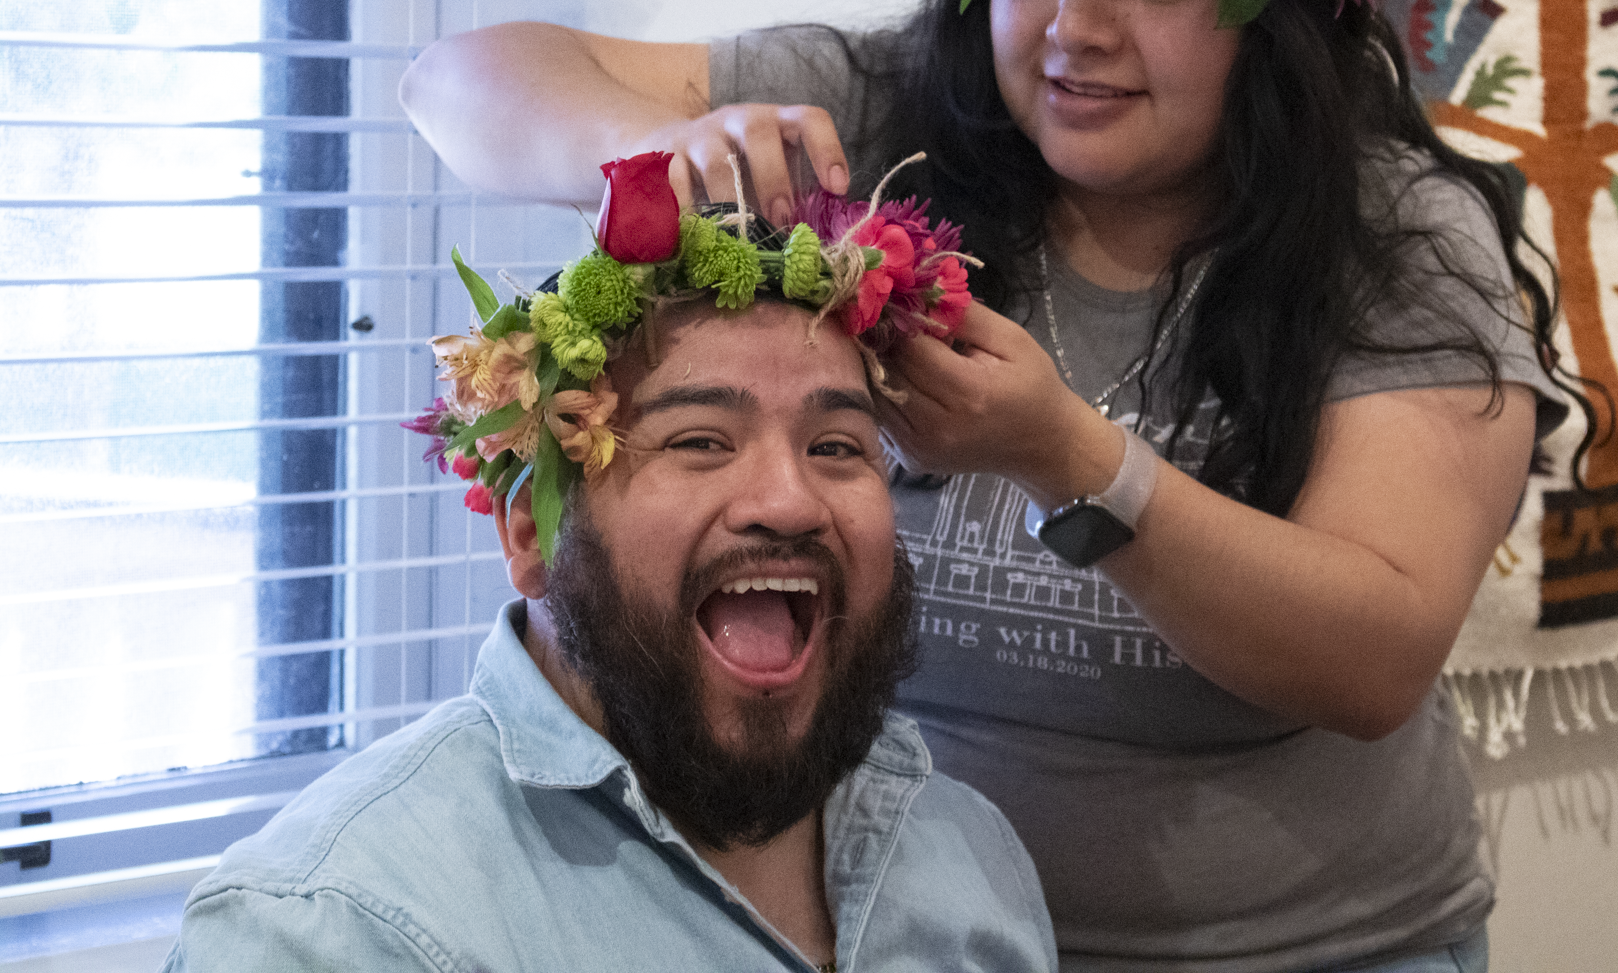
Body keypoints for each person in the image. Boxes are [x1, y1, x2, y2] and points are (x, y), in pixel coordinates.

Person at [403, 0, 1577, 972]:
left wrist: (1074, 462)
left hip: (1309, 949)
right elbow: (458, 83)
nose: (1077, 27)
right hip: (918, 936)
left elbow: (1372, 658)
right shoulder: (877, 112)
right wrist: (640, 158)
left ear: (1279, 15)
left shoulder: (1396, 236)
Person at [162, 194, 1056, 972]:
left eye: (837, 448)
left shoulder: (971, 858)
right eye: (700, 440)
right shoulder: (333, 932)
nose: (790, 501)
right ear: (529, 532)